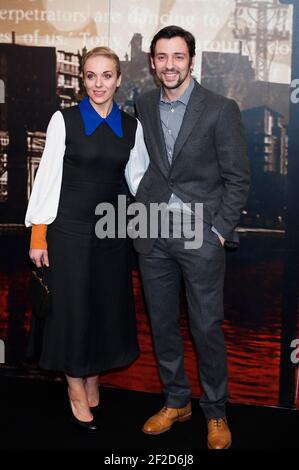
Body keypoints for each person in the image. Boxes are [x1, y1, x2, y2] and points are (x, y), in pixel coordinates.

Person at [134, 26, 250, 449]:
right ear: (152, 62)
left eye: (178, 57)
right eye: (161, 57)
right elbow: (145, 164)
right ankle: (176, 400)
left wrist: (217, 231)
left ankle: (215, 412)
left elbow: (238, 178)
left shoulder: (221, 108)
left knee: (206, 327)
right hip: (153, 234)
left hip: (200, 235)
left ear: (191, 60)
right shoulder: (143, 104)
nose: (169, 65)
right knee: (163, 324)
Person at [25, 46, 149, 431]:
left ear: (118, 79)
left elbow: (140, 183)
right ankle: (75, 388)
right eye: (91, 76)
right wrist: (39, 235)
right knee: (73, 312)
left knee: (103, 311)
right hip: (69, 233)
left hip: (111, 235)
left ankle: (92, 377)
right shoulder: (64, 120)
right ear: (83, 79)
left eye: (107, 75)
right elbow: (46, 179)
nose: (99, 84)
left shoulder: (132, 127)